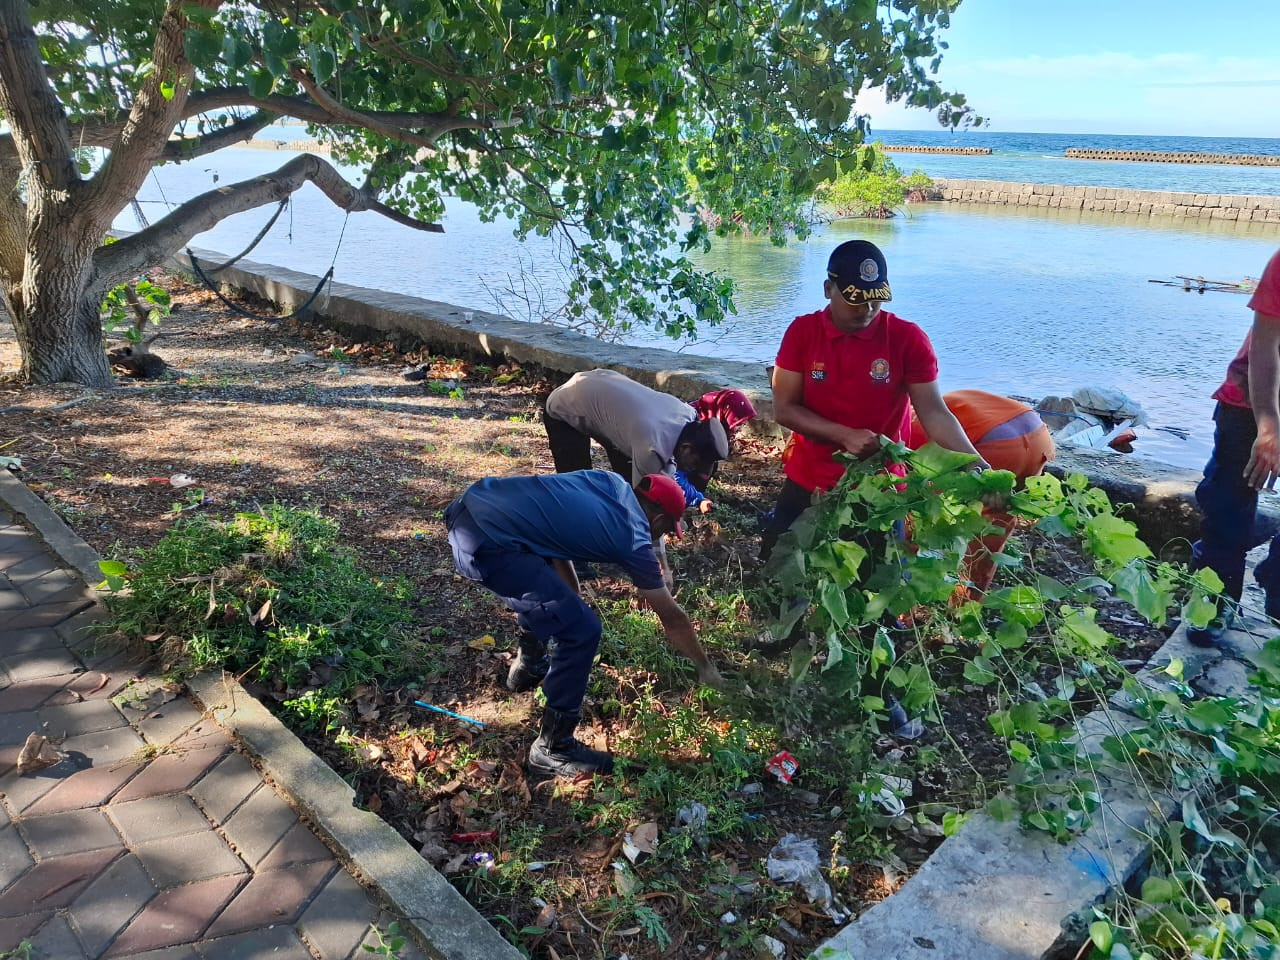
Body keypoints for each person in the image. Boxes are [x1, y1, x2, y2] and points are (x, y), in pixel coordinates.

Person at [444, 469, 723, 777]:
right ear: (658, 520)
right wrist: (705, 668)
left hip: (472, 507)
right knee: (582, 631)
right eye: (669, 529)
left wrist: (570, 600)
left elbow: (554, 536)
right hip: (488, 544)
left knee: (563, 608)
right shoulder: (632, 536)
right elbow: (672, 618)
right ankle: (553, 748)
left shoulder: (609, 482)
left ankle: (529, 666)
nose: (664, 535)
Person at [760, 239, 989, 559]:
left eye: (874, 300)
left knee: (877, 595)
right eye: (855, 300)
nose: (866, 309)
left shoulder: (907, 339)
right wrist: (844, 436)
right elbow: (784, 408)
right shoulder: (802, 333)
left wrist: (976, 465)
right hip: (808, 479)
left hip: (880, 490)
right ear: (829, 289)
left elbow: (935, 413)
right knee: (780, 576)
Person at [1189, 248, 1280, 646]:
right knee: (1226, 505)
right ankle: (1215, 602)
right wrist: (1269, 427)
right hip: (1251, 401)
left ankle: (1274, 587)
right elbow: (1266, 346)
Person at [908, 390, 1056, 599]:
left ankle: (934, 606)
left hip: (993, 448)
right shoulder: (933, 404)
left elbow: (915, 506)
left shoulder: (911, 431)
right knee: (994, 528)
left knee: (923, 527)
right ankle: (970, 604)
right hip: (1038, 438)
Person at [543, 369, 730, 491]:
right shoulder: (650, 445)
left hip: (599, 386)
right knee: (578, 487)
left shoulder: (688, 413)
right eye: (694, 464)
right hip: (565, 406)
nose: (691, 469)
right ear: (686, 448)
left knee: (627, 479)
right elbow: (648, 507)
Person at [676, 389, 760, 512]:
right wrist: (698, 499)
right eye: (736, 423)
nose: (737, 429)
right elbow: (673, 473)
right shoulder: (690, 427)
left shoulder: (711, 424)